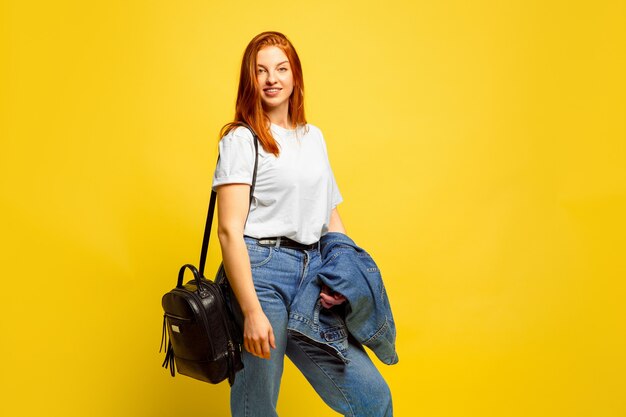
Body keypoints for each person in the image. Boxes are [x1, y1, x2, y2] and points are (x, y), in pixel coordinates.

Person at [211, 31, 393, 417]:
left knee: (372, 397)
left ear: (296, 77)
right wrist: (251, 310)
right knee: (257, 402)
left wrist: (342, 277)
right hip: (261, 274)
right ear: (250, 79)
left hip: (313, 277)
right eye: (260, 70)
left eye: (281, 68)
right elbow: (229, 230)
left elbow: (330, 216)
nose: (271, 78)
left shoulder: (314, 138)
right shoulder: (241, 140)